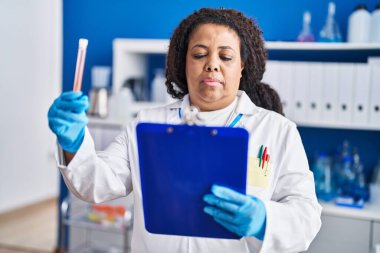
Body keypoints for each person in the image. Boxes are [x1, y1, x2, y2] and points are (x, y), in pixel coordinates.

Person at [48, 8, 321, 253]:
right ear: (183, 62)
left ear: (242, 66)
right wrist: (73, 142)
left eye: (225, 56)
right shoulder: (146, 124)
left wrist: (264, 220)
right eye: (200, 54)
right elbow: (96, 183)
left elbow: (306, 217)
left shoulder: (277, 130)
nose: (212, 64)